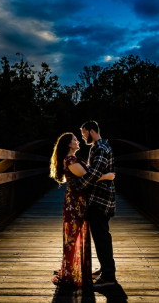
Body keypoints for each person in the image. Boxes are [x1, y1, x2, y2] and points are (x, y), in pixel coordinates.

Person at [50, 132, 115, 287]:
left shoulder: (72, 159)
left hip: (79, 201)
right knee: (74, 236)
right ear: (68, 144)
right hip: (75, 203)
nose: (77, 141)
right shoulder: (71, 159)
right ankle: (72, 272)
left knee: (78, 235)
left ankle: (79, 270)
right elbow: (87, 176)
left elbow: (86, 175)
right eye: (74, 139)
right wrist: (106, 176)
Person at [66, 121, 117, 288]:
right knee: (100, 236)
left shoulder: (101, 147)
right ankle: (105, 270)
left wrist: (76, 185)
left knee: (102, 236)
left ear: (92, 131)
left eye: (84, 133)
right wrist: (106, 176)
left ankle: (109, 275)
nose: (82, 136)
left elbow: (94, 173)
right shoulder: (96, 147)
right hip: (97, 197)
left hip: (101, 199)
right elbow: (93, 171)